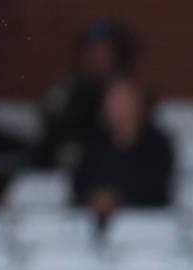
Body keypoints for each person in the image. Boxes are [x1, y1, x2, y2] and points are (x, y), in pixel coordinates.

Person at [33, 19, 136, 169]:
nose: (99, 58)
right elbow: (49, 130)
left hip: (110, 168)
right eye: (93, 50)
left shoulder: (126, 93)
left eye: (106, 52)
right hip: (63, 167)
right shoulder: (67, 89)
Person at [72, 76, 173, 224]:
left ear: (139, 104)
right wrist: (94, 199)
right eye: (113, 103)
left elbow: (156, 188)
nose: (118, 109)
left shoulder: (158, 144)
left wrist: (116, 200)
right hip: (94, 223)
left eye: (124, 103)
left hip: (146, 224)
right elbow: (79, 184)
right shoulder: (92, 143)